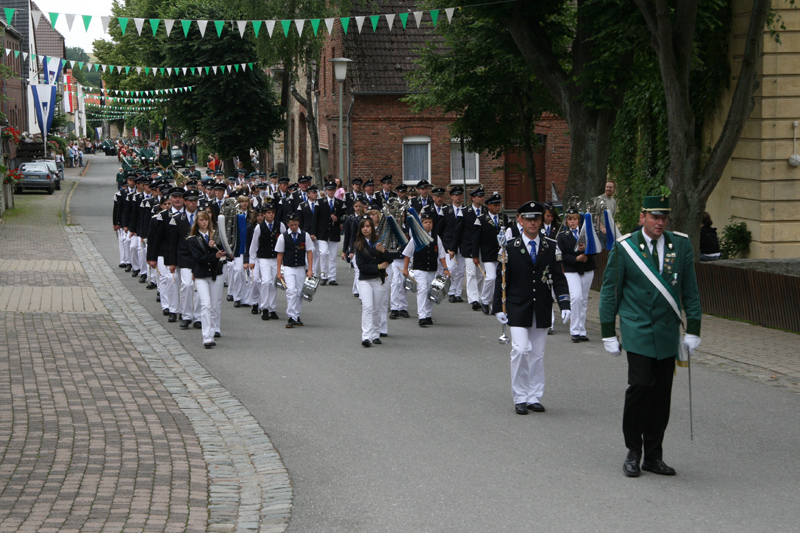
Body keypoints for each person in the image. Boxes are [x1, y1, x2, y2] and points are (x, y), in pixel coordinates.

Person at [599, 195, 702, 478]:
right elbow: (610, 291)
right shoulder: (625, 248)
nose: (660, 223)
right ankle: (633, 450)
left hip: (666, 330)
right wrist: (608, 332)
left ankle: (654, 456)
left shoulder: (680, 245)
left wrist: (694, 328)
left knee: (661, 395)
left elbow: (690, 289)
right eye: (655, 217)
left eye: (664, 218)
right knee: (641, 386)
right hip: (638, 328)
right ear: (642, 217)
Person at [493, 201, 571, 415]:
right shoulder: (510, 247)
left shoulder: (551, 246)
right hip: (517, 307)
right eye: (528, 219)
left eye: (536, 218)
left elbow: (558, 278)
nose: (533, 223)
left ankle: (533, 396)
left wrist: (564, 303)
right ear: (520, 220)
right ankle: (520, 396)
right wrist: (498, 307)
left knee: (537, 354)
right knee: (520, 350)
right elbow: (501, 278)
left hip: (542, 306)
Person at [188, 210, 226, 349]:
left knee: (214, 305)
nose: (204, 222)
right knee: (205, 304)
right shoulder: (192, 240)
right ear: (197, 222)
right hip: (201, 274)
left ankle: (214, 330)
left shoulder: (216, 236)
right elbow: (198, 258)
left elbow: (224, 252)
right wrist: (213, 254)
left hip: (215, 273)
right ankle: (207, 337)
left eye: (206, 220)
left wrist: (215, 247)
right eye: (201, 220)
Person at [402, 211, 448, 327]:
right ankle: (421, 316)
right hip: (420, 268)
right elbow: (407, 254)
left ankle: (428, 314)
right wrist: (405, 269)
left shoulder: (436, 237)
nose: (428, 224)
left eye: (430, 222)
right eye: (425, 222)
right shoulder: (416, 237)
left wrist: (445, 268)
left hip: (432, 269)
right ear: (421, 224)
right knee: (422, 289)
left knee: (430, 291)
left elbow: (441, 255)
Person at [557, 207, 597, 342]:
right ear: (566, 221)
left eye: (575, 219)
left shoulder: (587, 233)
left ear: (579, 220)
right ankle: (574, 330)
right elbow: (561, 255)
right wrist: (576, 258)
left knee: (584, 300)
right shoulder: (562, 236)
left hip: (587, 268)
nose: (572, 222)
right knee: (576, 297)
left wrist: (586, 250)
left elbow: (596, 249)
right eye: (570, 219)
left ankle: (582, 330)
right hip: (571, 269)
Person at [354, 216, 390, 347]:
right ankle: (366, 336)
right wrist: (378, 267)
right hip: (365, 279)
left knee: (377, 308)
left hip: (379, 279)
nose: (365, 229)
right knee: (367, 307)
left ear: (372, 228)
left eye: (368, 226)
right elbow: (361, 266)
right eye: (363, 227)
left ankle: (375, 334)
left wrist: (383, 251)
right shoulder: (359, 245)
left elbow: (390, 259)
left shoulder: (379, 241)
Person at [473, 192, 510, 315]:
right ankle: (485, 300)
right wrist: (475, 255)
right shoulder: (481, 219)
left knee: (500, 279)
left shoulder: (504, 218)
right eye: (495, 205)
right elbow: (476, 239)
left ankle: (496, 304)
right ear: (488, 206)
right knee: (491, 277)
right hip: (488, 253)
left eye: (499, 205)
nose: (498, 207)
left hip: (501, 253)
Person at [276, 213, 314, 328]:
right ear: (288, 224)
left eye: (296, 224)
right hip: (288, 267)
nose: (294, 227)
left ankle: (297, 315)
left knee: (299, 292)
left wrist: (310, 269)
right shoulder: (283, 237)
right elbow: (280, 254)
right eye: (292, 225)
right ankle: (291, 316)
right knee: (291, 290)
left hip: (300, 267)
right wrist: (279, 271)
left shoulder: (305, 235)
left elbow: (309, 252)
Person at [248, 202, 284, 320]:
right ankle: (264, 308)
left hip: (275, 258)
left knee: (273, 283)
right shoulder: (259, 227)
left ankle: (272, 309)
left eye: (272, 212)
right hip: (263, 258)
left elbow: (284, 241)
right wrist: (252, 260)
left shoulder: (280, 225)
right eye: (268, 213)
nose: (271, 215)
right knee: (266, 282)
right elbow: (254, 245)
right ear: (264, 214)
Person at [439, 186, 466, 303]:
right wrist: (444, 244)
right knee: (451, 268)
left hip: (462, 244)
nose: (458, 197)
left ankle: (458, 293)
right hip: (449, 244)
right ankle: (450, 291)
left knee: (461, 270)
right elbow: (440, 229)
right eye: (455, 195)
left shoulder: (466, 210)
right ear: (451, 197)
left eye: (459, 194)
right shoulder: (445, 210)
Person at [316, 181, 346, 286]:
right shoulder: (320, 202)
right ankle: (324, 275)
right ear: (326, 191)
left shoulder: (340, 203)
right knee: (323, 253)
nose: (331, 192)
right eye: (329, 190)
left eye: (333, 190)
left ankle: (332, 277)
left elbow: (344, 216)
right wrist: (313, 232)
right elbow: (315, 218)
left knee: (333, 256)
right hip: (322, 232)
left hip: (334, 232)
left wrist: (338, 219)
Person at [463, 186, 486, 310]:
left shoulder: (486, 211)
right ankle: (474, 299)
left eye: (483, 196)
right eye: (479, 196)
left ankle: (481, 297)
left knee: (481, 274)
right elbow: (459, 230)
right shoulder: (465, 211)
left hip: (482, 246)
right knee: (471, 273)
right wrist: (453, 248)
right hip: (469, 246)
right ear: (473, 198)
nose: (482, 198)